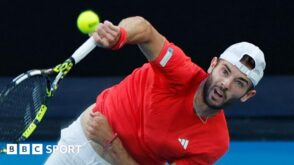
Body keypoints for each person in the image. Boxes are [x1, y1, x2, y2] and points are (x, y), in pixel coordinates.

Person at [45, 16, 266, 165]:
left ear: (247, 95)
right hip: (78, 146)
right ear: (213, 65)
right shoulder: (178, 69)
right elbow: (145, 29)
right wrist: (119, 35)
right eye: (225, 71)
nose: (226, 84)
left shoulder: (214, 143)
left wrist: (110, 143)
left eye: (239, 83)